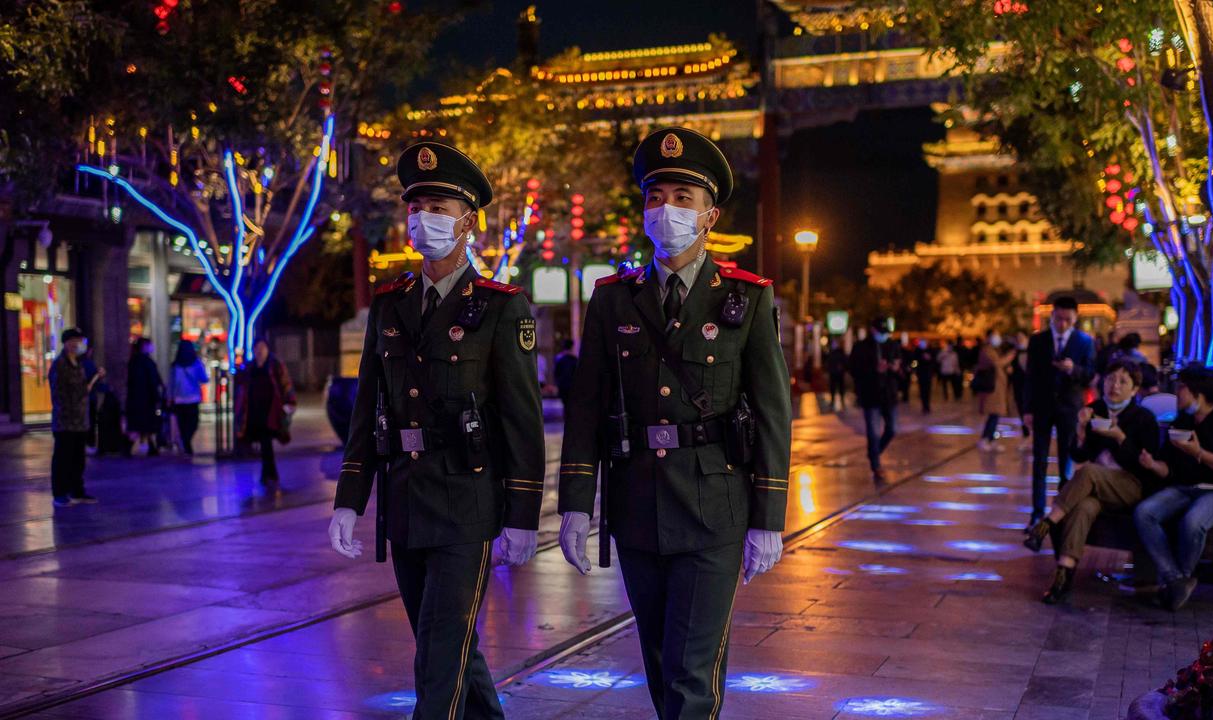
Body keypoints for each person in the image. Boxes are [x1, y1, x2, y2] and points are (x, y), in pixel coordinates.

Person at [557, 127, 790, 719]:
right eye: (655, 197)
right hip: (637, 505)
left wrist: (768, 519)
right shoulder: (614, 298)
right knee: (662, 666)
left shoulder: (746, 297)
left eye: (682, 198)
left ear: (710, 214)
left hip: (715, 508)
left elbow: (771, 412)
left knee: (690, 676)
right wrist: (577, 503)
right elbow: (587, 406)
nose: (666, 210)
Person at [328, 141, 543, 720]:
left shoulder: (503, 308)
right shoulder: (390, 304)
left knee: (439, 658)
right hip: (405, 502)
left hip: (467, 503)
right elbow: (367, 408)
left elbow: (522, 421)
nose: (426, 218)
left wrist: (523, 517)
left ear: (470, 222)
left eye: (441, 207)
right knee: (448, 646)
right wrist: (351, 499)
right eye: (417, 205)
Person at [1024, 362, 1161, 603]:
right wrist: (1080, 429)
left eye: (1122, 382)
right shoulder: (1095, 409)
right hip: (1095, 487)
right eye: (1110, 379)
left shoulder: (1143, 418)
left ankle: (1045, 524)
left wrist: (1120, 438)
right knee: (1083, 508)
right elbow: (1078, 455)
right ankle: (1062, 577)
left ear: (1134, 389)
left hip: (1130, 485)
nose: (1114, 386)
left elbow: (1143, 465)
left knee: (1088, 472)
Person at [1134, 365, 1213, 611]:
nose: (1177, 392)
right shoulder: (1183, 420)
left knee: (1192, 521)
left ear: (1197, 394)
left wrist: (1199, 453)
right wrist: (1152, 464)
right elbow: (1170, 468)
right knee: (1144, 513)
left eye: (1182, 388)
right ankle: (1176, 580)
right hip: (1187, 488)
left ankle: (1178, 581)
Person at [1023, 297, 1095, 526]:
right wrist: (1027, 410)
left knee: (1067, 461)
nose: (1062, 324)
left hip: (1069, 407)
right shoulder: (1038, 341)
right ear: (1052, 316)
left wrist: (1074, 369)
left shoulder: (1084, 341)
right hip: (1043, 407)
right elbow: (1030, 378)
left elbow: (1090, 374)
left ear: (1075, 319)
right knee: (1039, 461)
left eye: (1067, 320)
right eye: (1058, 318)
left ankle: (1061, 514)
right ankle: (1037, 513)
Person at [49, 327, 103, 506]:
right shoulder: (60, 364)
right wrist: (84, 390)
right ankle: (60, 494)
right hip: (65, 420)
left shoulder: (78, 363)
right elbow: (60, 393)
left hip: (80, 420)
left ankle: (77, 491)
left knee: (78, 460)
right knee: (63, 458)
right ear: (66, 343)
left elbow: (82, 388)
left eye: (80, 341)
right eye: (74, 341)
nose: (77, 345)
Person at [236, 339, 296, 485]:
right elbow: (242, 384)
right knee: (264, 441)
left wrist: (289, 402)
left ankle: (269, 474)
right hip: (254, 410)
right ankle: (269, 473)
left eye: (262, 347)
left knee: (266, 439)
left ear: (268, 349)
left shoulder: (275, 365)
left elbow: (285, 383)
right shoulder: (250, 366)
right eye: (257, 348)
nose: (259, 351)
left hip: (271, 410)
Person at [851, 316, 902, 484]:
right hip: (870, 395)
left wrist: (896, 368)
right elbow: (854, 370)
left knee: (892, 428)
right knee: (873, 432)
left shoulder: (892, 345)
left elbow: (901, 367)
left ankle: (874, 452)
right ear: (873, 330)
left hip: (889, 395)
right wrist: (875, 370)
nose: (884, 335)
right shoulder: (861, 347)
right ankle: (875, 464)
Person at [974, 330, 1016, 451]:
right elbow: (997, 363)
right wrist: (1010, 357)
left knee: (995, 416)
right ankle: (985, 439)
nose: (998, 338)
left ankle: (991, 440)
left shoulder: (993, 350)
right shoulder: (986, 350)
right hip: (992, 389)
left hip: (997, 389)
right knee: (994, 415)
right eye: (995, 335)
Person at [169, 340, 209, 455]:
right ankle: (187, 441)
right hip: (193, 398)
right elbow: (204, 379)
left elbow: (172, 383)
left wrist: (170, 396)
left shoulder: (175, 365)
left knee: (183, 423)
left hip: (179, 399)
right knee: (193, 422)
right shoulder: (196, 363)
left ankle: (185, 441)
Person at [125, 337, 164, 455]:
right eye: (150, 345)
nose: (152, 347)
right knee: (143, 424)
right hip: (145, 400)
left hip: (136, 399)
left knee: (143, 425)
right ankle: (128, 447)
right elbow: (152, 381)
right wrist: (157, 396)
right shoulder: (146, 362)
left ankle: (151, 447)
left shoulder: (134, 360)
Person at [1011, 330, 1032, 448]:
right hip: (1018, 387)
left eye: (1021, 336)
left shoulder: (1033, 351)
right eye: (1017, 337)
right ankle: (1026, 435)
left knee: (1031, 412)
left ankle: (1032, 436)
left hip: (1030, 388)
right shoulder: (1014, 352)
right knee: (1021, 411)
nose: (1019, 339)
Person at [914, 339, 936, 414]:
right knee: (922, 390)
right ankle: (924, 406)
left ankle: (927, 406)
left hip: (928, 373)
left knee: (927, 390)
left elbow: (934, 361)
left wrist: (929, 359)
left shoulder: (931, 350)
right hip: (921, 373)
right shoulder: (917, 351)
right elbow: (915, 360)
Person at [826, 341, 848, 410]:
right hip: (834, 372)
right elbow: (829, 362)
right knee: (834, 387)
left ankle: (841, 400)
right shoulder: (832, 353)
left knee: (840, 387)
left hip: (838, 373)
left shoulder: (840, 353)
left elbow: (844, 362)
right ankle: (834, 400)